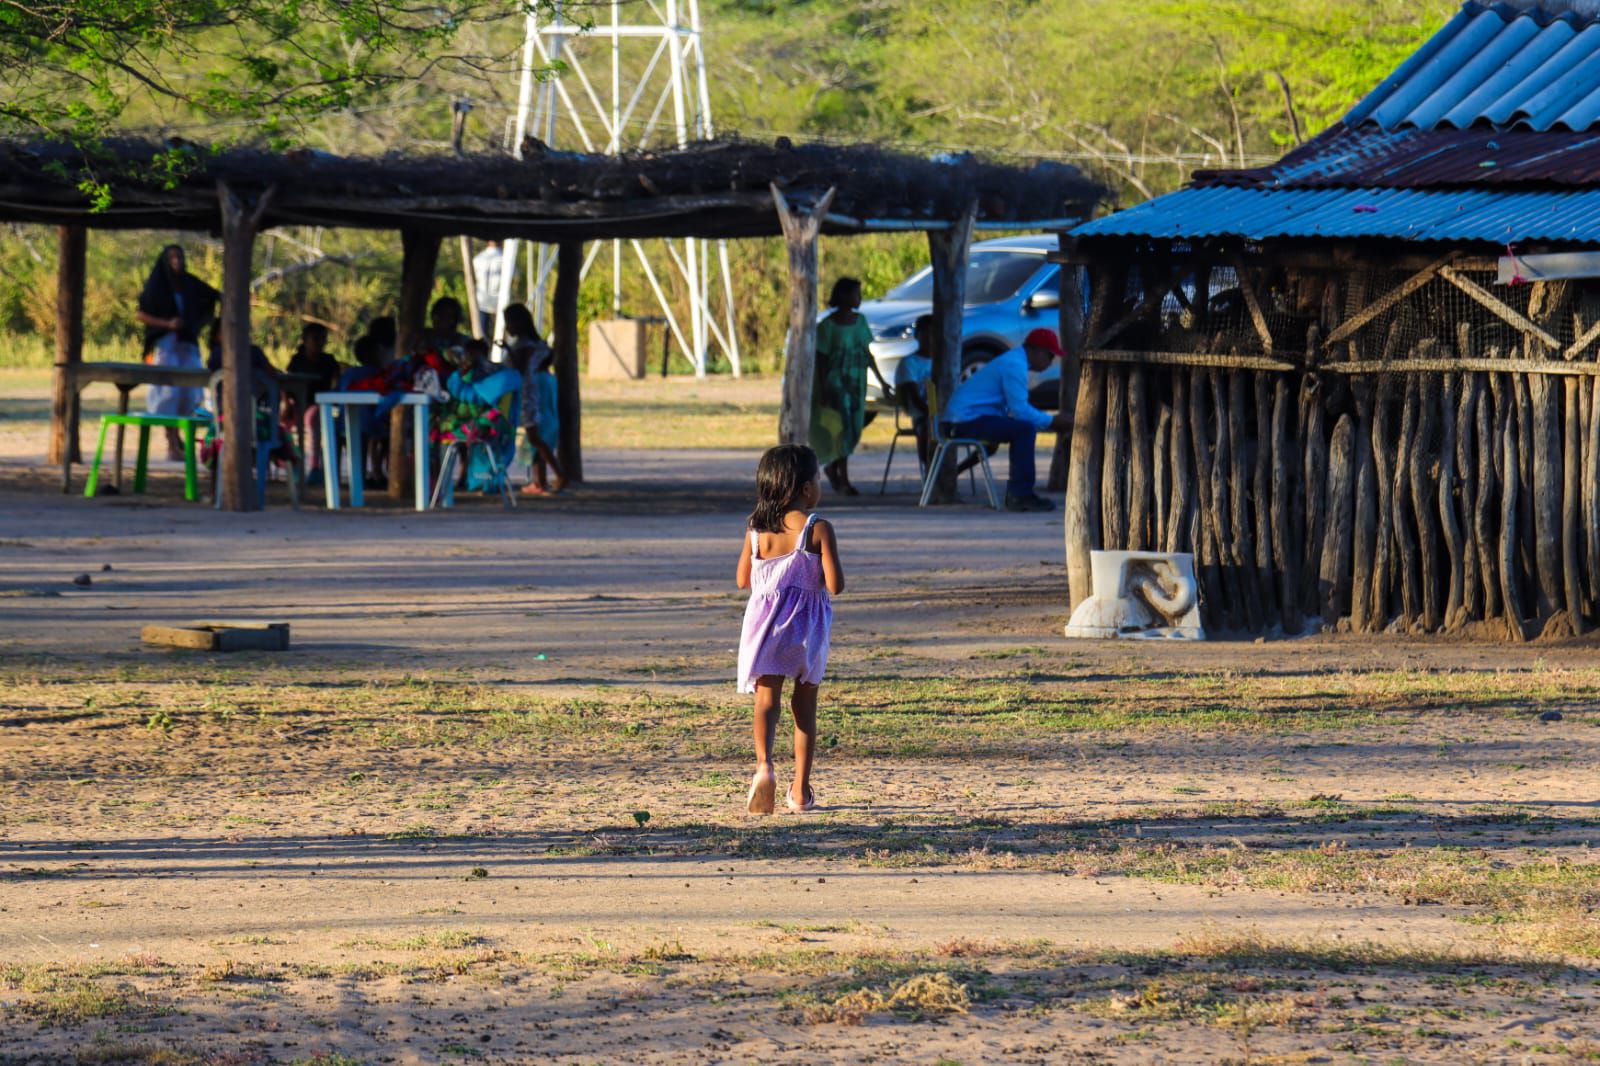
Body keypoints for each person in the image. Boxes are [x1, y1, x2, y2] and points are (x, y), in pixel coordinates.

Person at [734, 444, 844, 815]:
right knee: (804, 706)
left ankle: (764, 766)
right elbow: (835, 585)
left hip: (765, 628)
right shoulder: (818, 528)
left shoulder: (756, 529)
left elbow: (742, 580)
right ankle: (799, 790)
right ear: (806, 488)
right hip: (807, 632)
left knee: (767, 701)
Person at [939, 327, 1072, 512]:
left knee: (1022, 428)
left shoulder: (1014, 361)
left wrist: (1049, 422)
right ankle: (1020, 494)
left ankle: (1018, 491)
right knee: (1024, 430)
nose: (1050, 363)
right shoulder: (1014, 365)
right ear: (1036, 350)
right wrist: (1052, 421)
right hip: (961, 422)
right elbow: (1020, 411)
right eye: (1049, 356)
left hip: (963, 420)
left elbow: (1014, 411)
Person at [135, 244, 219, 459]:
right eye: (172, 258)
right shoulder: (157, 286)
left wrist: (198, 322)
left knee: (188, 391)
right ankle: (171, 442)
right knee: (168, 392)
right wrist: (167, 324)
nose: (177, 262)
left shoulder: (190, 283)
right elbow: (141, 314)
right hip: (166, 345)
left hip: (187, 344)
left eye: (180, 257)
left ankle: (179, 439)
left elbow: (213, 296)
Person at [810, 277, 888, 496]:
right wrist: (823, 390)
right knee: (842, 430)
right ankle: (843, 479)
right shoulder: (827, 326)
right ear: (843, 296)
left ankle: (833, 467)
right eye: (856, 294)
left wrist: (881, 381)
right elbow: (822, 360)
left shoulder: (861, 322)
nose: (859, 299)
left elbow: (867, 353)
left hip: (856, 383)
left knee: (853, 428)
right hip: (836, 384)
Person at [502, 303, 564, 496]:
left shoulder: (524, 346)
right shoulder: (537, 344)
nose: (507, 328)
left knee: (535, 437)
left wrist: (508, 351)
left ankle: (560, 475)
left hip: (530, 396)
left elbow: (521, 368)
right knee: (535, 438)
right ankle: (540, 481)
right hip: (538, 393)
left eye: (509, 323)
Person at [284, 323, 341, 477]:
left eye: (323, 339)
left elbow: (337, 382)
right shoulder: (297, 360)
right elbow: (286, 384)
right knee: (284, 425)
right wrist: (287, 405)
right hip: (298, 404)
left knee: (312, 419)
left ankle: (314, 466)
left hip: (320, 404)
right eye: (315, 339)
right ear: (305, 340)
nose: (320, 343)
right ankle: (292, 463)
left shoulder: (329, 361)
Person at [893, 314, 935, 466]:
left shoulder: (943, 362)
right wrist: (932, 413)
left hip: (939, 411)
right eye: (926, 334)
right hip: (921, 413)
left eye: (933, 334)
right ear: (918, 336)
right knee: (927, 427)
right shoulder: (909, 363)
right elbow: (914, 398)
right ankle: (928, 466)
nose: (929, 339)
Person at [472, 240, 504, 339]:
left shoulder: (478, 258)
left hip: (481, 301)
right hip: (499, 302)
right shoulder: (505, 258)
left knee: (482, 335)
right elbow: (514, 279)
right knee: (499, 335)